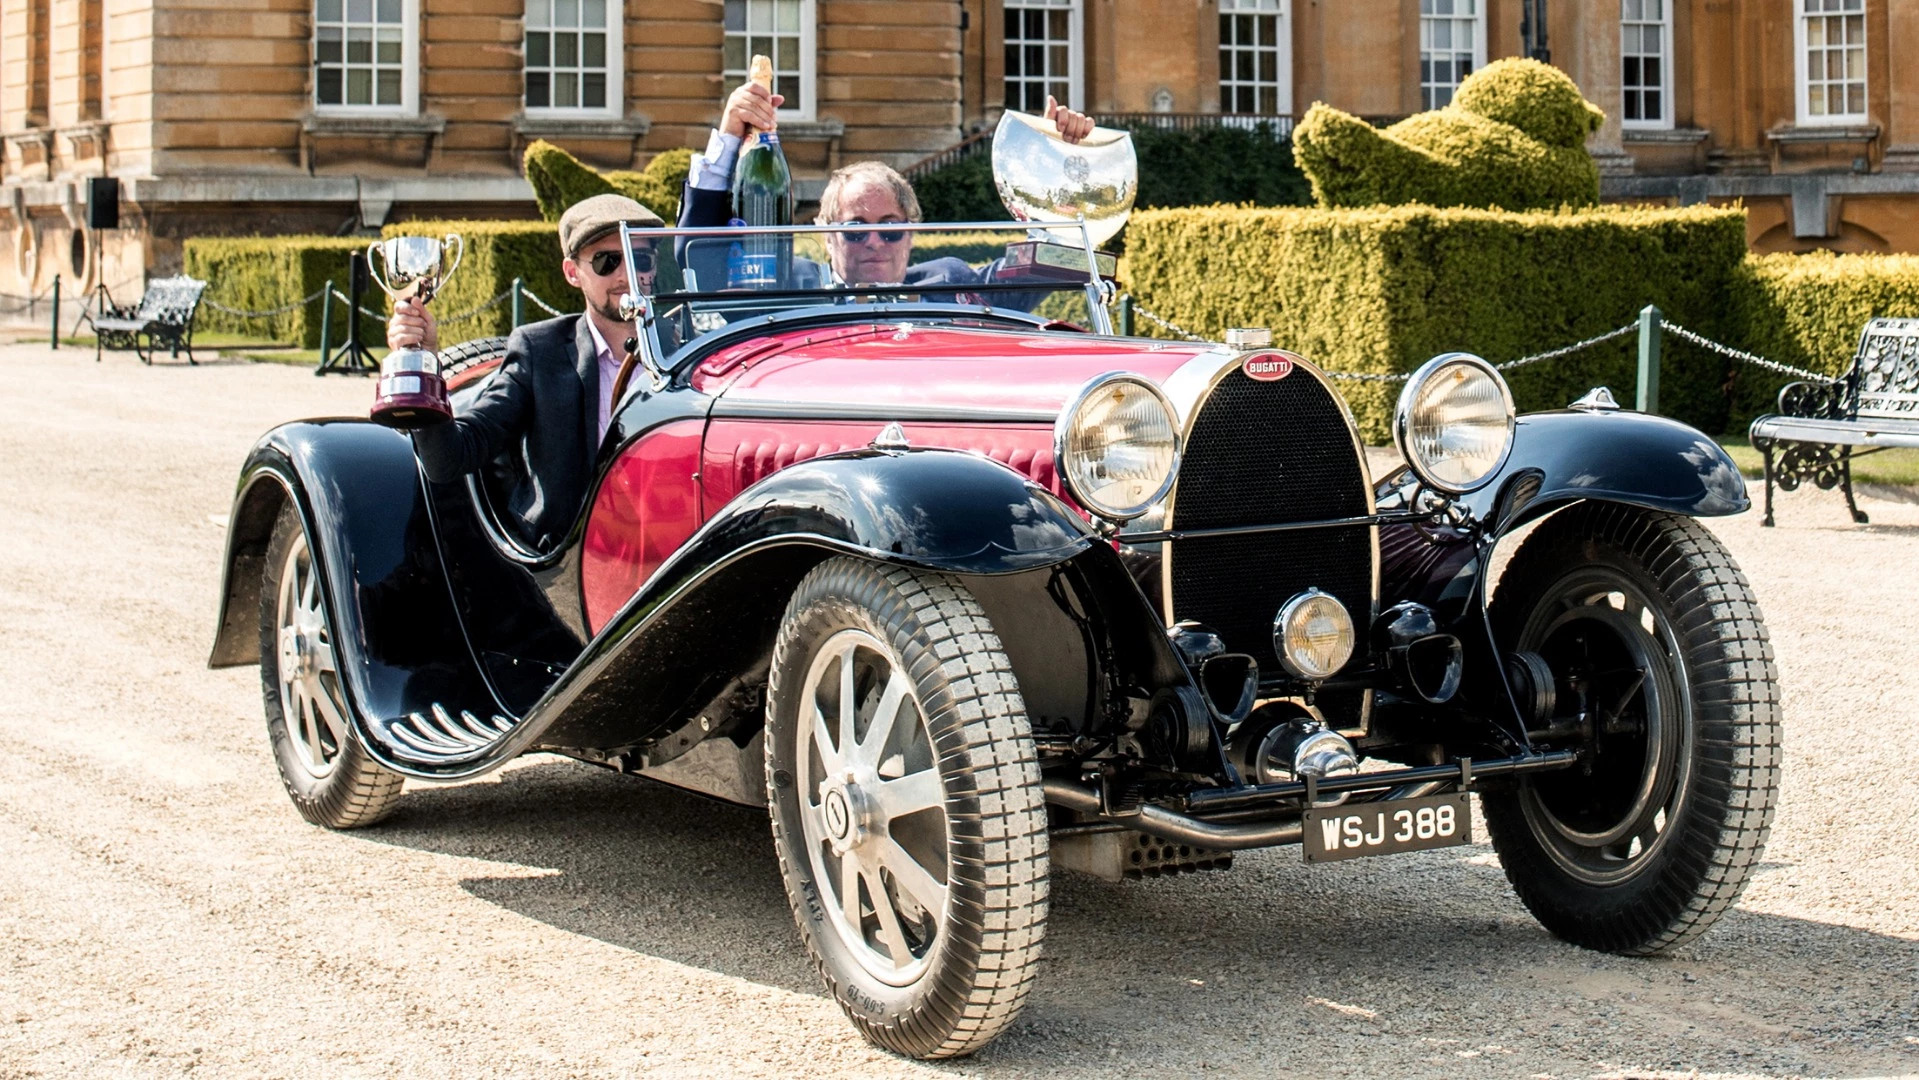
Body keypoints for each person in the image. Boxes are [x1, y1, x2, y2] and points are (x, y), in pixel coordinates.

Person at [387, 193, 661, 552]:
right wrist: (422, 363)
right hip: (573, 557)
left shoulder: (695, 345)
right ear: (572, 273)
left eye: (640, 257)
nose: (628, 275)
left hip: (681, 547)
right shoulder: (540, 351)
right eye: (607, 261)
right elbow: (453, 457)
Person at [678, 85, 1095, 290]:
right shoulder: (791, 284)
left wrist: (1057, 162)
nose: (874, 242)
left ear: (911, 234)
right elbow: (696, 260)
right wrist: (731, 133)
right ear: (825, 236)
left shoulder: (949, 283)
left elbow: (1055, 265)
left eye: (891, 229)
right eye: (855, 229)